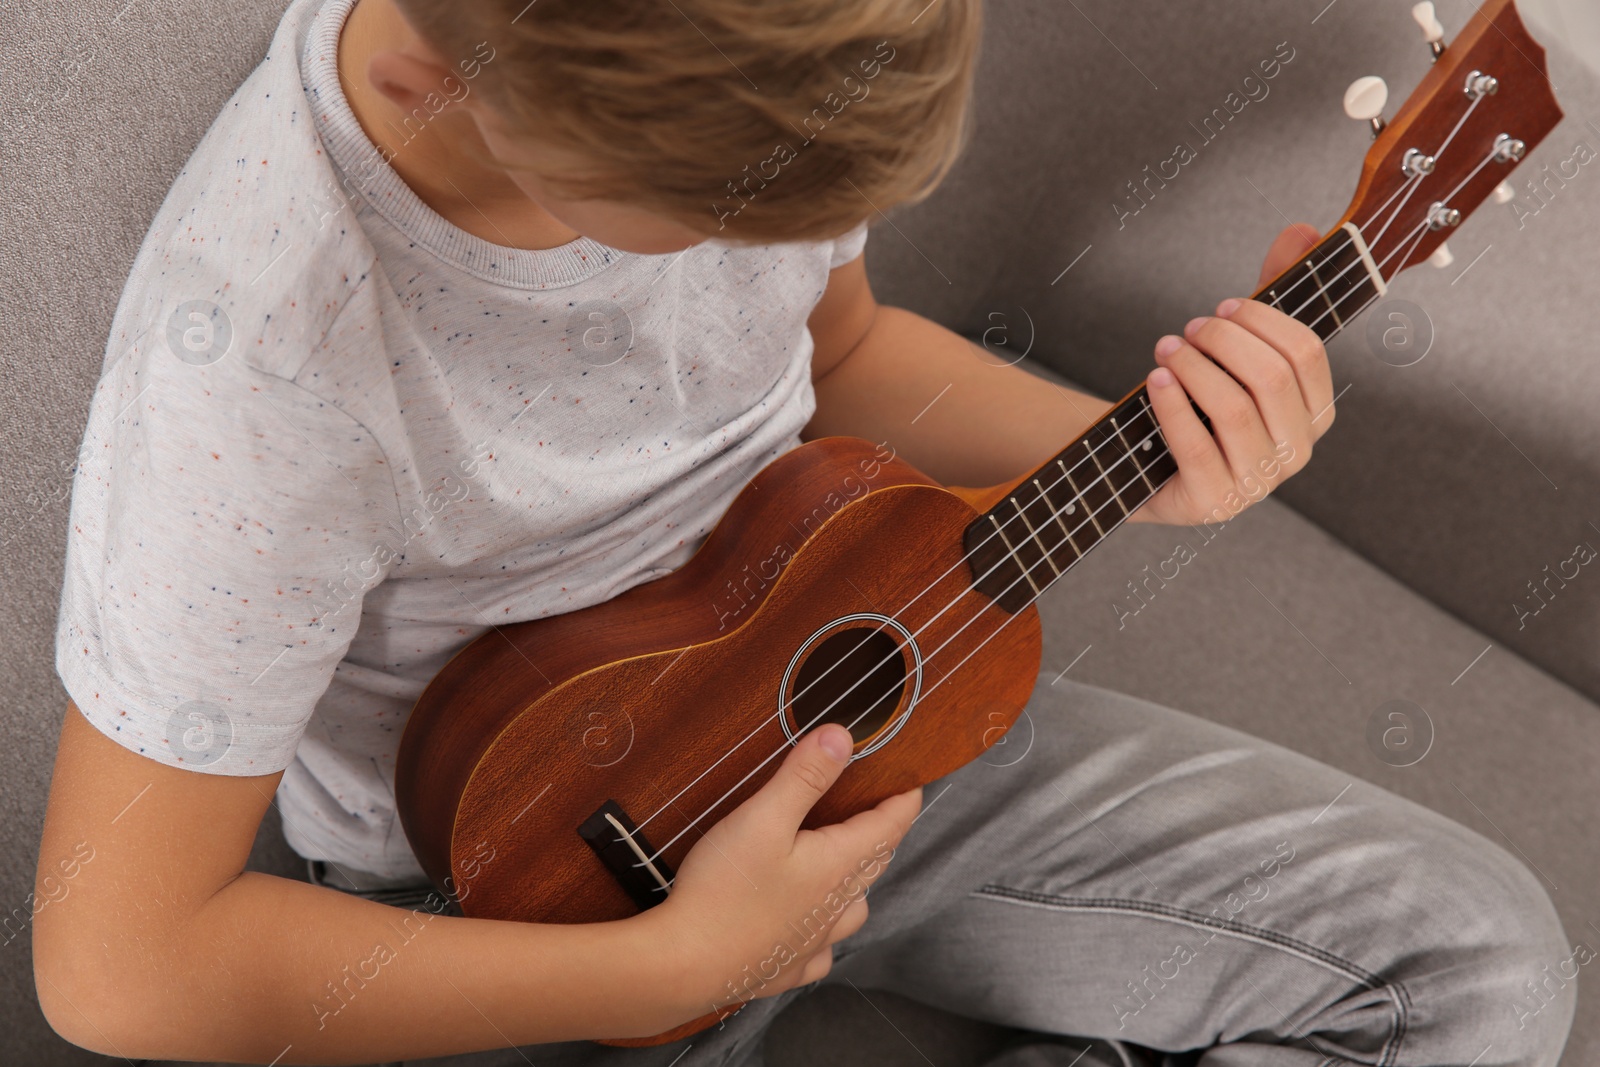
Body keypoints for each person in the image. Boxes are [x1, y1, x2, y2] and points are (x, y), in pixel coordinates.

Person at [34, 0, 1574, 1064]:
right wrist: (676, 967)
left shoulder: (783, 50)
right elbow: (121, 969)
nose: (762, 250)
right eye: (724, 216)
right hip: (512, 902)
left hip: (831, 710)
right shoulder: (262, 373)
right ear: (441, 83)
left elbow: (839, 357)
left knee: (1487, 967)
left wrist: (1159, 461)